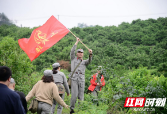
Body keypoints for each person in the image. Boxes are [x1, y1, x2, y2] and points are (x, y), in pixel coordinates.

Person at [69, 37, 93, 114]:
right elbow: (72, 51)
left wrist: (90, 54)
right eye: (79, 52)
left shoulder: (84, 62)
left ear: (83, 54)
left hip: (81, 79)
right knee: (74, 95)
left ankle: (80, 109)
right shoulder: (73, 59)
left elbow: (89, 61)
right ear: (77, 53)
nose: (80, 53)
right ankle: (72, 109)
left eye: (81, 52)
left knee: (81, 96)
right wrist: (76, 42)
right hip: (74, 79)